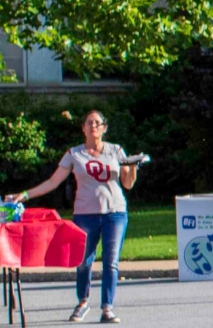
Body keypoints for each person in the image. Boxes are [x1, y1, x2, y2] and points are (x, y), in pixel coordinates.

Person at [8, 110, 140, 323]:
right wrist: (24, 195)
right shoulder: (74, 153)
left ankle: (107, 308)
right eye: (89, 122)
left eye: (97, 123)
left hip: (114, 213)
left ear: (104, 128)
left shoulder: (116, 150)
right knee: (83, 262)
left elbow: (127, 184)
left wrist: (133, 166)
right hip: (85, 215)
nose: (93, 126)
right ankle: (83, 302)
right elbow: (53, 182)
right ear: (83, 128)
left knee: (111, 261)